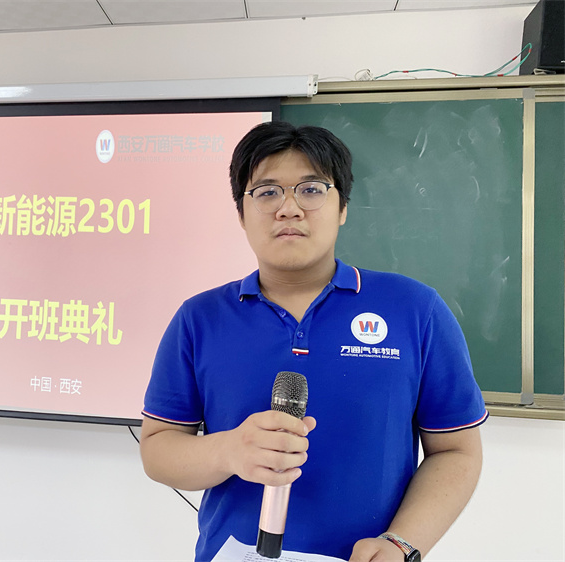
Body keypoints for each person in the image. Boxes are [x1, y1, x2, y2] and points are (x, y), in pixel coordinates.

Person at [140, 121, 487, 562]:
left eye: (310, 189)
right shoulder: (199, 318)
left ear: (342, 206)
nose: (289, 208)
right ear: (241, 213)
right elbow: (158, 449)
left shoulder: (415, 310)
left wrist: (401, 543)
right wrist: (227, 450)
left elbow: (455, 450)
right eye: (267, 192)